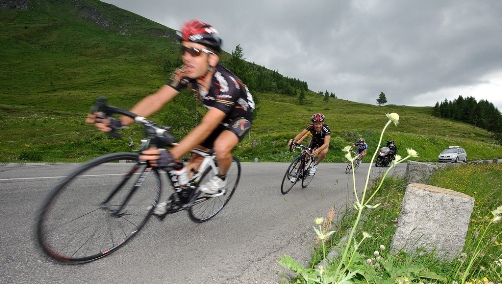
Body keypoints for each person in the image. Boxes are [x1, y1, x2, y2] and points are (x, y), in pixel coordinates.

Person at [86, 19, 255, 208]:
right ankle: (185, 196)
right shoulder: (185, 74)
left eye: (195, 52)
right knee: (195, 156)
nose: (187, 57)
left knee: (222, 147)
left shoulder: (227, 85)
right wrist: (119, 122)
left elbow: (207, 126)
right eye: (184, 50)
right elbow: (156, 99)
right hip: (216, 113)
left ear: (212, 58)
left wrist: (172, 154)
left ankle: (220, 179)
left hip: (240, 115)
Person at [288, 113, 331, 177]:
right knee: (306, 154)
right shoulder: (310, 126)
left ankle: (315, 165)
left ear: (322, 123)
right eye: (316, 124)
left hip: (323, 143)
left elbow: (326, 144)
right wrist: (293, 141)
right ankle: (300, 170)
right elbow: (301, 134)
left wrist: (317, 150)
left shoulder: (326, 129)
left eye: (320, 124)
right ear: (313, 123)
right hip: (314, 141)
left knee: (324, 152)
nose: (318, 126)